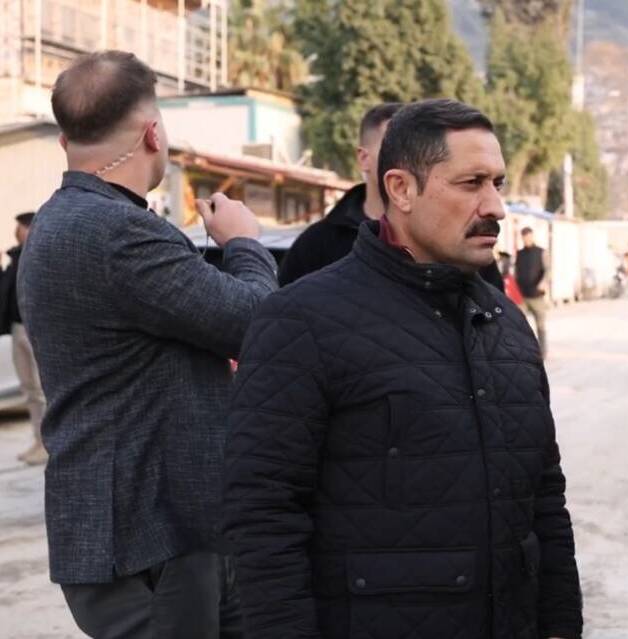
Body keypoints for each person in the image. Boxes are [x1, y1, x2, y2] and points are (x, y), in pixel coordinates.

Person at [223, 99, 583, 639]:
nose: (495, 207)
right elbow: (262, 514)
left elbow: (544, 500)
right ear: (401, 189)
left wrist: (560, 625)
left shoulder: (505, 321)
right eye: (471, 183)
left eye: (498, 184)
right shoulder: (301, 320)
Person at [18, 50, 276, 638]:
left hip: (137, 531)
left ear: (65, 141)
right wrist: (243, 243)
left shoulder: (60, 221)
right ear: (153, 133)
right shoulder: (117, 232)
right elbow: (258, 321)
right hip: (152, 533)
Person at [278, 102, 504, 291]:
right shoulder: (317, 245)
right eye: (390, 147)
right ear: (364, 158)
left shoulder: (467, 251)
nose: (406, 156)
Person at [0, 212, 47, 465]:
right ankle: (38, 440)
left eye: (20, 227)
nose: (16, 232)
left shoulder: (38, 255)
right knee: (29, 389)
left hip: (34, 328)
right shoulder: (16, 258)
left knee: (40, 389)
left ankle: (47, 444)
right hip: (18, 327)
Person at [515, 226, 550, 357]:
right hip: (522, 296)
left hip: (537, 295)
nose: (527, 239)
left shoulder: (542, 252)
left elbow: (548, 270)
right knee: (519, 324)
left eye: (529, 236)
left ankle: (542, 352)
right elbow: (516, 272)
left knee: (540, 325)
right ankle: (524, 350)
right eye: (524, 237)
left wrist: (543, 282)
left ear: (532, 236)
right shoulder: (519, 254)